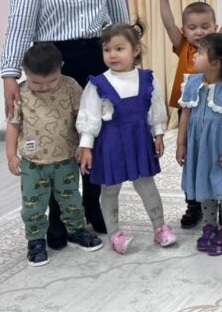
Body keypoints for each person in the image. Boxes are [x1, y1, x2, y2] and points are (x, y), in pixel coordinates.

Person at [1, 0, 128, 245]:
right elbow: (19, 26)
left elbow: (120, 21)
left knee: (98, 135)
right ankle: (58, 217)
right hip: (53, 64)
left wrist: (127, 65)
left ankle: (93, 206)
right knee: (58, 140)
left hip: (98, 60)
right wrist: (10, 75)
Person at [76, 20, 177, 254]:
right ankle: (115, 234)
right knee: (110, 189)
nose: (112, 54)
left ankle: (160, 228)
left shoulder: (147, 79)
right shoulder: (97, 84)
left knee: (147, 185)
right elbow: (89, 117)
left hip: (139, 141)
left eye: (119, 49)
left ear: (136, 50)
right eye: (107, 49)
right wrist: (86, 147)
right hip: (110, 144)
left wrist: (158, 134)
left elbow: (155, 109)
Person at [5, 43, 103, 266]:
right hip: (33, 163)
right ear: (25, 72)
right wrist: (11, 155)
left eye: (51, 81)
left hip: (66, 159)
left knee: (71, 198)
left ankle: (76, 230)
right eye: (37, 83)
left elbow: (82, 117)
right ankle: (36, 240)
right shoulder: (20, 93)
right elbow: (13, 125)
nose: (44, 87)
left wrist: (83, 145)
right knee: (33, 204)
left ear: (61, 67)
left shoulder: (70, 87)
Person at [158, 0, 222, 229]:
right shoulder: (183, 46)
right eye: (192, 27)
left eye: (205, 26)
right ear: (184, 30)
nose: (199, 32)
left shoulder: (216, 46)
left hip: (213, 109)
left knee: (213, 153)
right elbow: (168, 23)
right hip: (189, 109)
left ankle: (219, 199)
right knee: (192, 155)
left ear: (215, 27)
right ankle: (193, 203)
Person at [177, 34, 222, 256]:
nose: (194, 55)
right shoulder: (192, 83)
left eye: (200, 52)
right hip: (198, 148)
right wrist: (181, 144)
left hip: (220, 150)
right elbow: (185, 115)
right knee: (204, 187)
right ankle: (209, 226)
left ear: (215, 64)